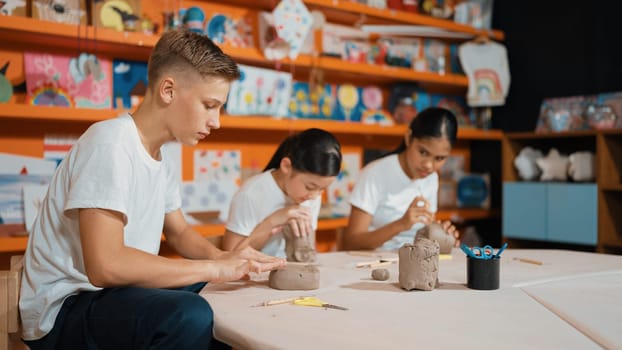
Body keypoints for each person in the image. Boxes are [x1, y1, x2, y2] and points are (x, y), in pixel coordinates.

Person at [19, 29, 285, 350]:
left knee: (226, 295)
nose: (216, 121)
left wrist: (229, 260)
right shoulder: (110, 143)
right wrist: (214, 267)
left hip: (115, 296)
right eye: (209, 105)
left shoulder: (162, 156)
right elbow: (106, 265)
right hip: (65, 309)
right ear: (168, 90)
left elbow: (180, 233)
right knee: (190, 314)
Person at [342, 107, 460, 251]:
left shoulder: (431, 178)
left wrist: (442, 236)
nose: (429, 165)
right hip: (375, 264)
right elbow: (351, 242)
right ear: (408, 138)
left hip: (414, 262)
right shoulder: (375, 173)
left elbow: (421, 237)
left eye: (439, 158)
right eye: (423, 152)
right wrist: (401, 224)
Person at [222, 128, 342, 257]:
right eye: (309, 186)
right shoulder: (251, 194)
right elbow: (230, 256)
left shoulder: (311, 196)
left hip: (292, 270)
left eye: (322, 189)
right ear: (286, 166)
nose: (315, 195)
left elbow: (308, 248)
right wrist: (272, 222)